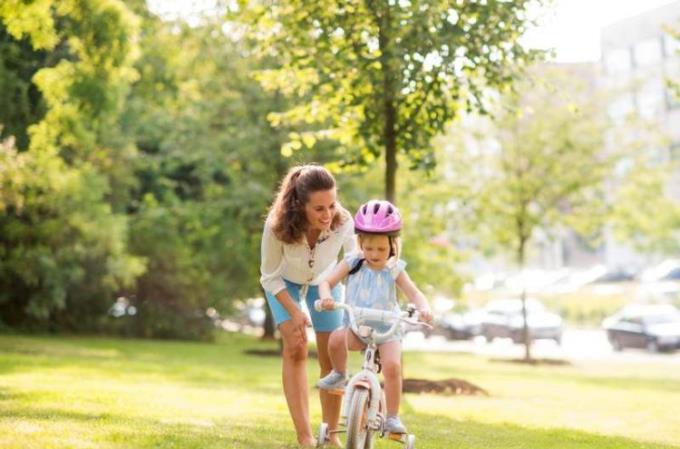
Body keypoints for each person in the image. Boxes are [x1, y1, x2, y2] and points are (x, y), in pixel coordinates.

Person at [316, 199, 433, 435]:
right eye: (368, 248)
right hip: (358, 327)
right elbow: (327, 282)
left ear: (392, 245)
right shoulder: (353, 262)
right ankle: (339, 374)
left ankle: (392, 417)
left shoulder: (395, 269)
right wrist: (326, 297)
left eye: (381, 249)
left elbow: (414, 292)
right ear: (360, 243)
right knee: (336, 339)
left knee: (392, 366)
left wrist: (424, 307)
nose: (374, 254)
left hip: (387, 330)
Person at [260, 164, 355, 448]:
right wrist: (294, 311)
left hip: (326, 283)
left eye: (332, 205)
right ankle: (305, 437)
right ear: (300, 206)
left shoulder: (343, 221)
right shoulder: (277, 226)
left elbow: (354, 261)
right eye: (318, 209)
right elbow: (269, 276)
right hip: (284, 283)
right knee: (296, 348)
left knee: (332, 353)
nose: (328, 215)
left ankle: (331, 436)